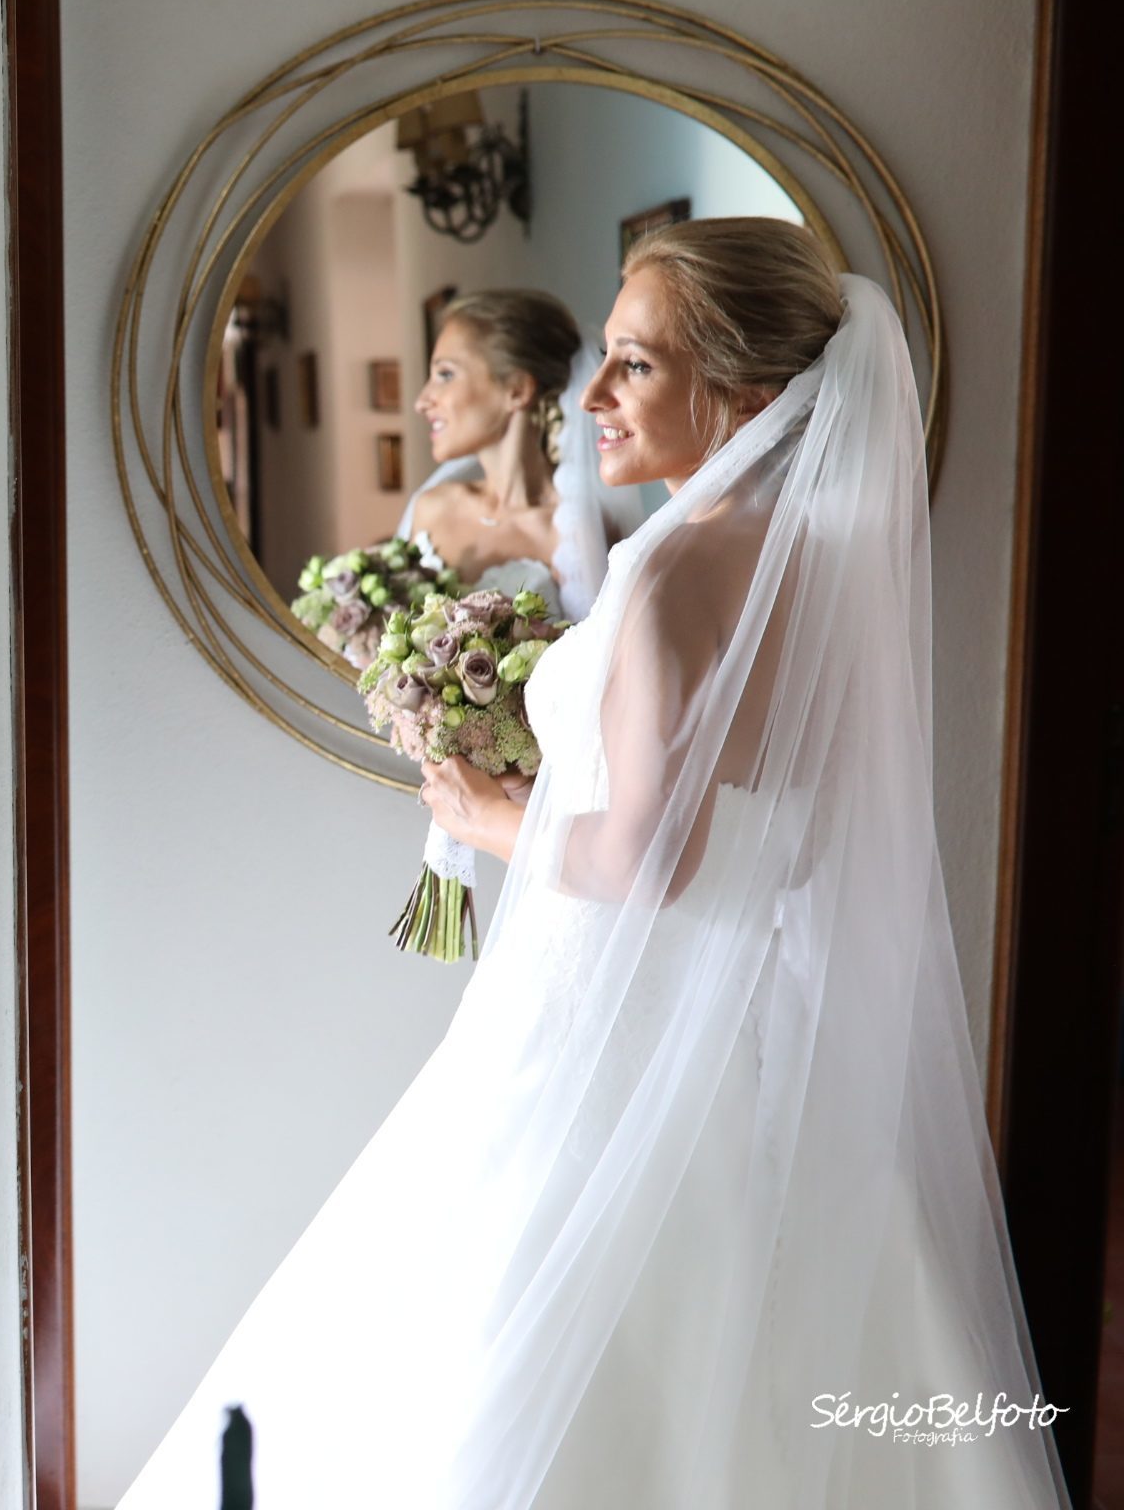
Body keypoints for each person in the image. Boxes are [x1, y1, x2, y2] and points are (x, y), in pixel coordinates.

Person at [115, 219, 1072, 1507]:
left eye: (635, 364)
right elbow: (777, 845)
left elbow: (651, 858)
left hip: (609, 1031)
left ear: (742, 390)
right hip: (751, 1043)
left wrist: (484, 806)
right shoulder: (835, 568)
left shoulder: (674, 570)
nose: (595, 394)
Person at [398, 288, 643, 621]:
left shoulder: (582, 533)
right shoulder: (429, 510)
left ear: (517, 389)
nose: (422, 400)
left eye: (445, 374)